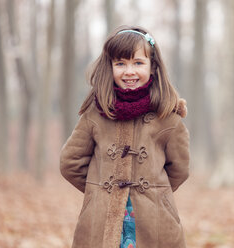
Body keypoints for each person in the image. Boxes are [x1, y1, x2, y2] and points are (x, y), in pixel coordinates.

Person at [60, 25, 190, 248]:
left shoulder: (168, 117)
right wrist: (100, 190)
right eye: (120, 63)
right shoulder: (96, 113)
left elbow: (179, 168)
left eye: (138, 63)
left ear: (153, 67)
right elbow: (70, 163)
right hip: (101, 218)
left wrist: (156, 192)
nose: (129, 71)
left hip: (155, 219)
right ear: (109, 67)